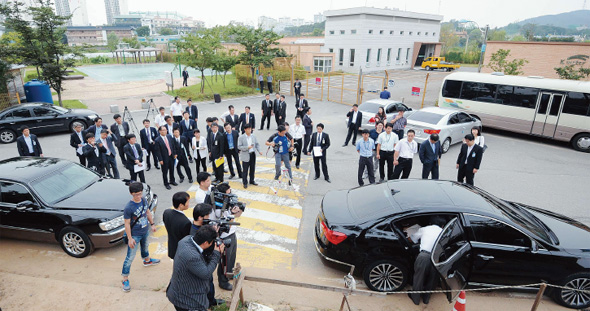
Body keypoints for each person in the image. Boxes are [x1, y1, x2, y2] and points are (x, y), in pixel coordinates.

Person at [166, 225, 222, 310]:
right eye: (212, 242)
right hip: (188, 302)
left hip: (177, 292)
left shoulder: (186, 240)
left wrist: (212, 233)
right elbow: (206, 274)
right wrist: (216, 253)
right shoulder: (192, 257)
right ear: (206, 243)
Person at [121, 182, 160, 292]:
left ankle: (147, 260)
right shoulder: (129, 207)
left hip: (145, 230)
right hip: (135, 235)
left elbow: (147, 212)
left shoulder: (143, 200)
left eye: (140, 193)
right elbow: (127, 224)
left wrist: (152, 224)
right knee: (130, 257)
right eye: (135, 195)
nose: (138, 196)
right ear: (131, 194)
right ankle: (125, 278)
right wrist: (130, 238)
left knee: (145, 247)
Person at [205, 183, 243, 292]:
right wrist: (230, 215)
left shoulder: (228, 203)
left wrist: (236, 211)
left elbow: (235, 216)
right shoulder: (214, 207)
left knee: (231, 257)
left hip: (232, 234)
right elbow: (219, 223)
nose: (230, 194)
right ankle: (223, 281)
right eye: (228, 193)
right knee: (224, 261)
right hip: (223, 236)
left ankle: (230, 274)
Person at [188, 203, 225, 309]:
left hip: (206, 261)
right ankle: (207, 303)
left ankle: (211, 301)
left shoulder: (199, 227)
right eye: (207, 216)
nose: (209, 218)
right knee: (206, 285)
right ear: (200, 217)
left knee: (209, 284)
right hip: (203, 263)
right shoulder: (195, 233)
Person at [407, 216, 446, 305]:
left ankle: (415, 299)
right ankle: (426, 298)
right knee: (432, 279)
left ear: (430, 223)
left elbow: (412, 239)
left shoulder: (425, 229)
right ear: (443, 226)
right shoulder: (444, 233)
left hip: (424, 256)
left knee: (419, 277)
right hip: (437, 258)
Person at [163, 191, 192, 259]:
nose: (188, 204)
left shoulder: (167, 213)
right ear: (181, 205)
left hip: (172, 247)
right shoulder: (185, 222)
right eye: (187, 202)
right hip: (182, 252)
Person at [154, 125, 178, 190]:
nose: (165, 131)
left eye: (165, 130)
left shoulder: (169, 136)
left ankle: (172, 180)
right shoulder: (157, 140)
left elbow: (173, 146)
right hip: (164, 158)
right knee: (165, 171)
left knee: (172, 169)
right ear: (160, 131)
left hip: (171, 156)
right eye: (163, 130)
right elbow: (157, 151)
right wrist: (160, 159)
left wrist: (175, 153)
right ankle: (166, 183)